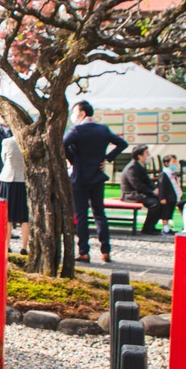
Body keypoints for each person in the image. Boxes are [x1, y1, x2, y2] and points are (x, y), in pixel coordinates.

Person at [63, 100, 128, 263]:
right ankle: (105, 250)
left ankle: (84, 251)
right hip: (97, 175)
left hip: (80, 176)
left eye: (74, 112)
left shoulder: (77, 130)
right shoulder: (102, 129)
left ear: (82, 113)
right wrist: (107, 158)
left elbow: (62, 144)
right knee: (99, 214)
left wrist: (73, 159)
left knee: (81, 215)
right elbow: (122, 143)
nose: (73, 116)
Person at [120, 145, 170, 236]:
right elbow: (137, 185)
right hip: (130, 194)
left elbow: (147, 181)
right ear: (139, 156)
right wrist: (152, 192)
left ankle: (151, 227)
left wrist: (155, 189)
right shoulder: (132, 167)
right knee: (155, 203)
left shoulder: (140, 166)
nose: (149, 155)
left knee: (161, 199)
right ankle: (147, 229)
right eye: (146, 153)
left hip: (139, 193)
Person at [0, 133, 30, 254]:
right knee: (25, 217)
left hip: (8, 179)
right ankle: (24, 247)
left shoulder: (7, 142)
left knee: (8, 216)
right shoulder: (29, 141)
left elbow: (4, 159)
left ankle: (7, 245)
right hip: (24, 180)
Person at [157, 154, 182, 234]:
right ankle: (165, 228)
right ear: (166, 163)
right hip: (167, 197)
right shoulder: (164, 173)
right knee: (165, 213)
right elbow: (161, 186)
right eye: (173, 162)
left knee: (169, 212)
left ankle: (167, 228)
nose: (175, 164)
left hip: (172, 197)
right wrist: (162, 197)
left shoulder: (172, 173)